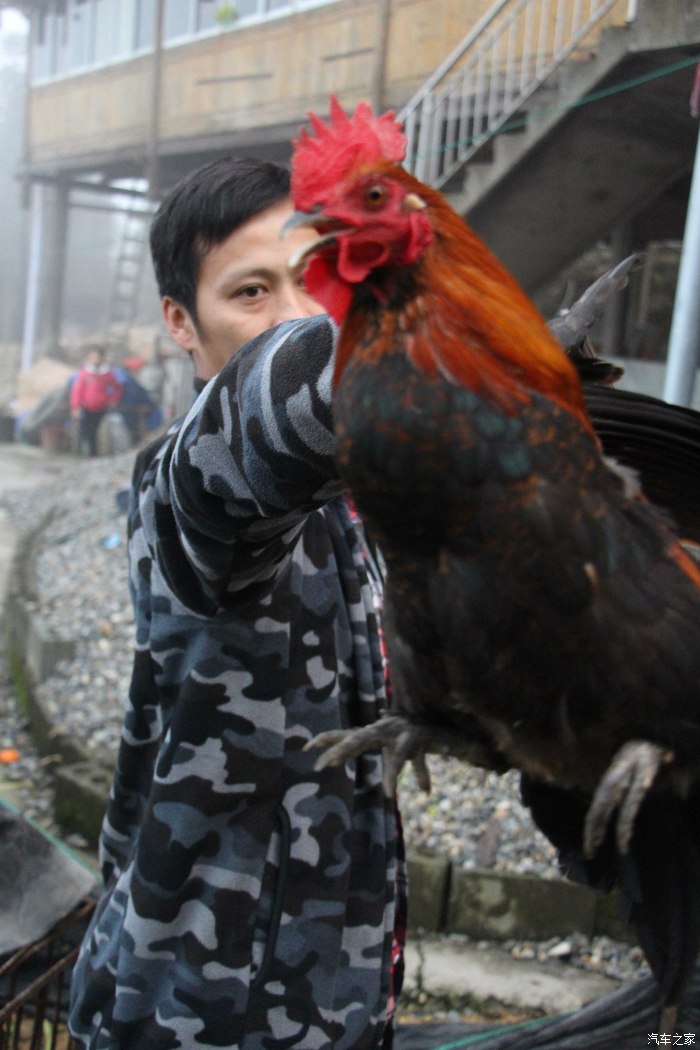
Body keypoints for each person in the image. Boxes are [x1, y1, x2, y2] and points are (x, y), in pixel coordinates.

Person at [68, 156, 406, 1049]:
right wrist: (431, 346)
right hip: (196, 1008)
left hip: (343, 985)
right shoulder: (187, 484)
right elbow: (264, 415)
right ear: (180, 322)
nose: (297, 313)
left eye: (312, 278)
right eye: (251, 291)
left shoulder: (348, 500)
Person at [70, 345, 122, 456]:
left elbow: (117, 388)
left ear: (102, 358)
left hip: (102, 408)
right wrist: (76, 407)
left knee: (99, 431)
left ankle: (96, 454)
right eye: (93, 356)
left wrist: (113, 400)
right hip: (87, 407)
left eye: (97, 357)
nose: (95, 359)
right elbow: (77, 391)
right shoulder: (85, 373)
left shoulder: (107, 373)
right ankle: (88, 453)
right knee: (87, 431)